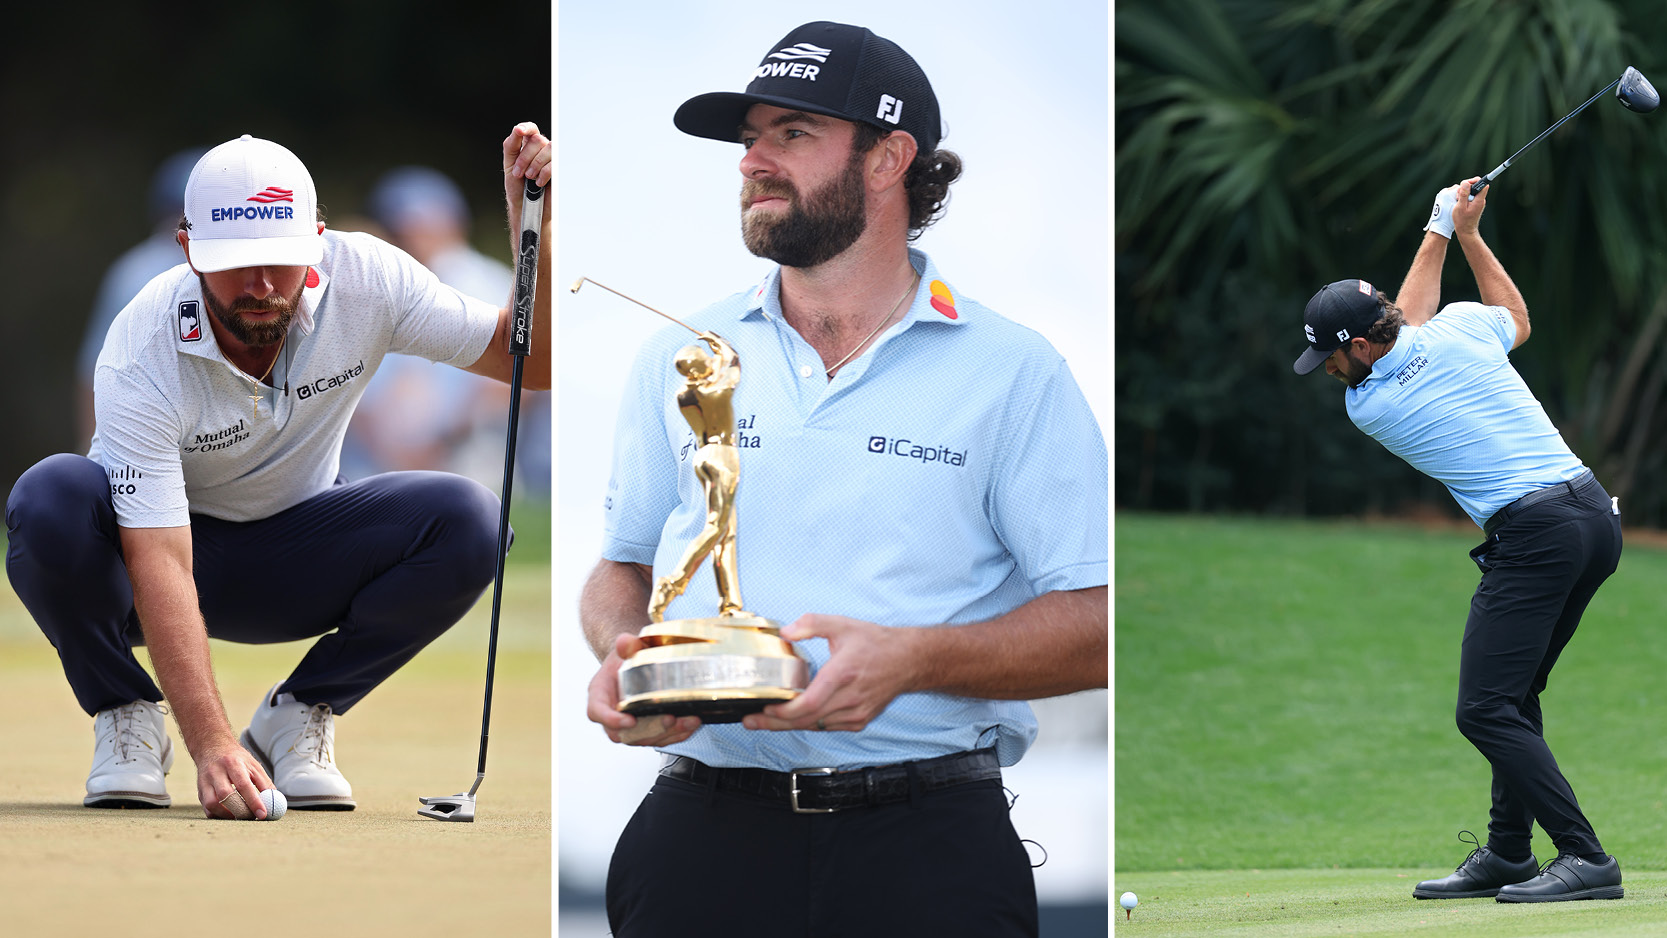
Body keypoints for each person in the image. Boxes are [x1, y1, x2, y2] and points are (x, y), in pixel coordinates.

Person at [580, 21, 1108, 937]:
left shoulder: (1015, 372)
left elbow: (1101, 623)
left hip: (928, 843)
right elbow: (621, 566)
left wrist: (913, 661)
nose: (752, 162)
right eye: (750, 139)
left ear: (888, 157)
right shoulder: (681, 350)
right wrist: (629, 662)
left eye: (791, 134)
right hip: (698, 834)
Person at [5, 123, 552, 820]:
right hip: (149, 570)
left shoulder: (369, 277)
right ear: (188, 249)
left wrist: (538, 228)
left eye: (282, 258)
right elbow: (162, 559)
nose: (261, 285)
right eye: (235, 261)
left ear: (317, 240)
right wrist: (208, 744)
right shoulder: (140, 346)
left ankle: (297, 714)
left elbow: (530, 364)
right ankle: (125, 714)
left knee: (470, 519)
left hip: (297, 556)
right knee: (50, 496)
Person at [1293, 178, 1624, 902]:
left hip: (1536, 535)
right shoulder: (1463, 328)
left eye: (1329, 358)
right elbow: (1510, 317)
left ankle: (1584, 858)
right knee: (1513, 696)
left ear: (1353, 349)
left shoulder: (1370, 402)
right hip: (1594, 519)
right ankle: (1508, 851)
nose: (1328, 373)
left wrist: (1440, 229)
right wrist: (1460, 233)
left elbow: (1399, 328)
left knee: (1481, 709)